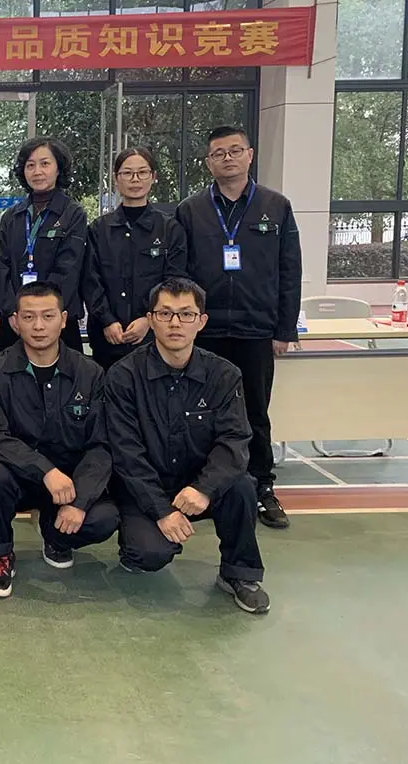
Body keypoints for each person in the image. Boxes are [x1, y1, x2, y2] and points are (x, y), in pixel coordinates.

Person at [105, 277, 269, 615]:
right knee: (148, 555)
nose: (175, 323)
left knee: (241, 485)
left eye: (186, 314)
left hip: (198, 485)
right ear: (150, 320)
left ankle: (239, 573)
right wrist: (162, 510)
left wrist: (204, 489)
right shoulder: (124, 376)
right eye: (165, 314)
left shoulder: (224, 375)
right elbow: (126, 453)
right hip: (146, 488)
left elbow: (234, 441)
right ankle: (137, 543)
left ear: (201, 321)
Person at [176, 126, 302, 530]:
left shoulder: (276, 207)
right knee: (199, 412)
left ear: (250, 155)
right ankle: (201, 486)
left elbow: (290, 271)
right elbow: (179, 273)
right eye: (219, 153)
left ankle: (262, 486)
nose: (227, 158)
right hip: (204, 331)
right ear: (208, 162)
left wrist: (284, 329)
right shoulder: (191, 210)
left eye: (235, 151)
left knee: (254, 413)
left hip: (255, 329)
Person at [0, 281, 120, 599]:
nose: (38, 326)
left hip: (69, 482)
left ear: (64, 319)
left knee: (104, 518)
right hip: (18, 477)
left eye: (48, 316)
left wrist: (79, 502)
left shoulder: (91, 373)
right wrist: (44, 470)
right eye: (28, 317)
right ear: (15, 322)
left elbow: (100, 445)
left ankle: (57, 537)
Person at [84, 147, 188, 372]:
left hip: (154, 336)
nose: (135, 179)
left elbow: (174, 281)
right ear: (116, 179)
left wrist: (148, 320)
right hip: (107, 338)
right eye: (127, 173)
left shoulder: (170, 229)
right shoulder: (99, 229)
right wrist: (107, 320)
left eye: (142, 172)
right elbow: (90, 280)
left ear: (153, 177)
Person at [0, 138, 88, 355]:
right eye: (30, 165)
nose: (37, 171)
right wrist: (13, 312)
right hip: (15, 322)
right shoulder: (12, 217)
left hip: (57, 321)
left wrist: (41, 314)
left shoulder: (73, 214)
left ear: (58, 168)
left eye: (45, 164)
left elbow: (68, 269)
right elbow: (1, 268)